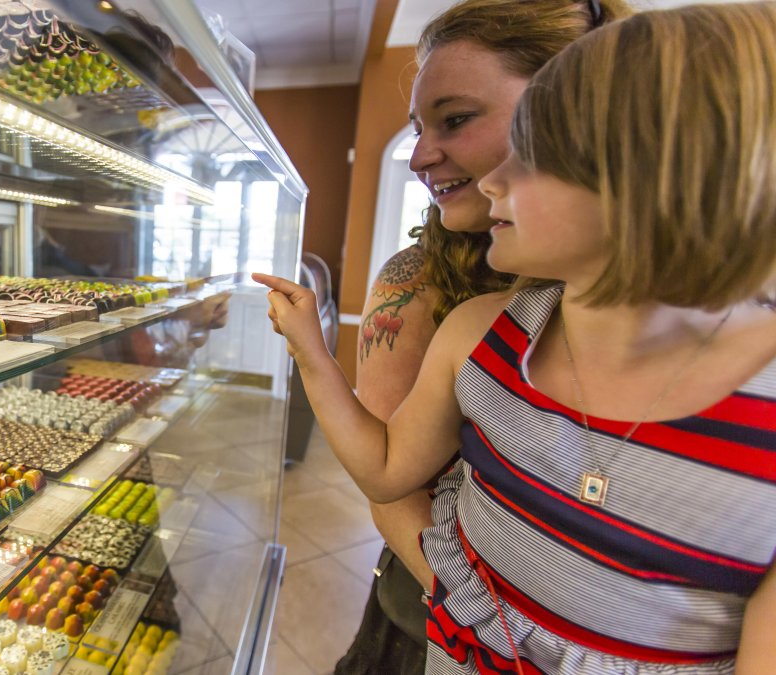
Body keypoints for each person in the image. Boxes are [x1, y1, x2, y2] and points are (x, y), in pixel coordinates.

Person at [257, 3, 776, 673]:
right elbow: (388, 470)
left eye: (534, 148)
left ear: (647, 170)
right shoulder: (482, 331)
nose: (424, 156)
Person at [342, 1, 632, 672]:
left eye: (457, 119)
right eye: (418, 127)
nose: (418, 155)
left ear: (578, 108)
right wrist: (498, 634)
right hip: (440, 626)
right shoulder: (423, 283)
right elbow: (389, 478)